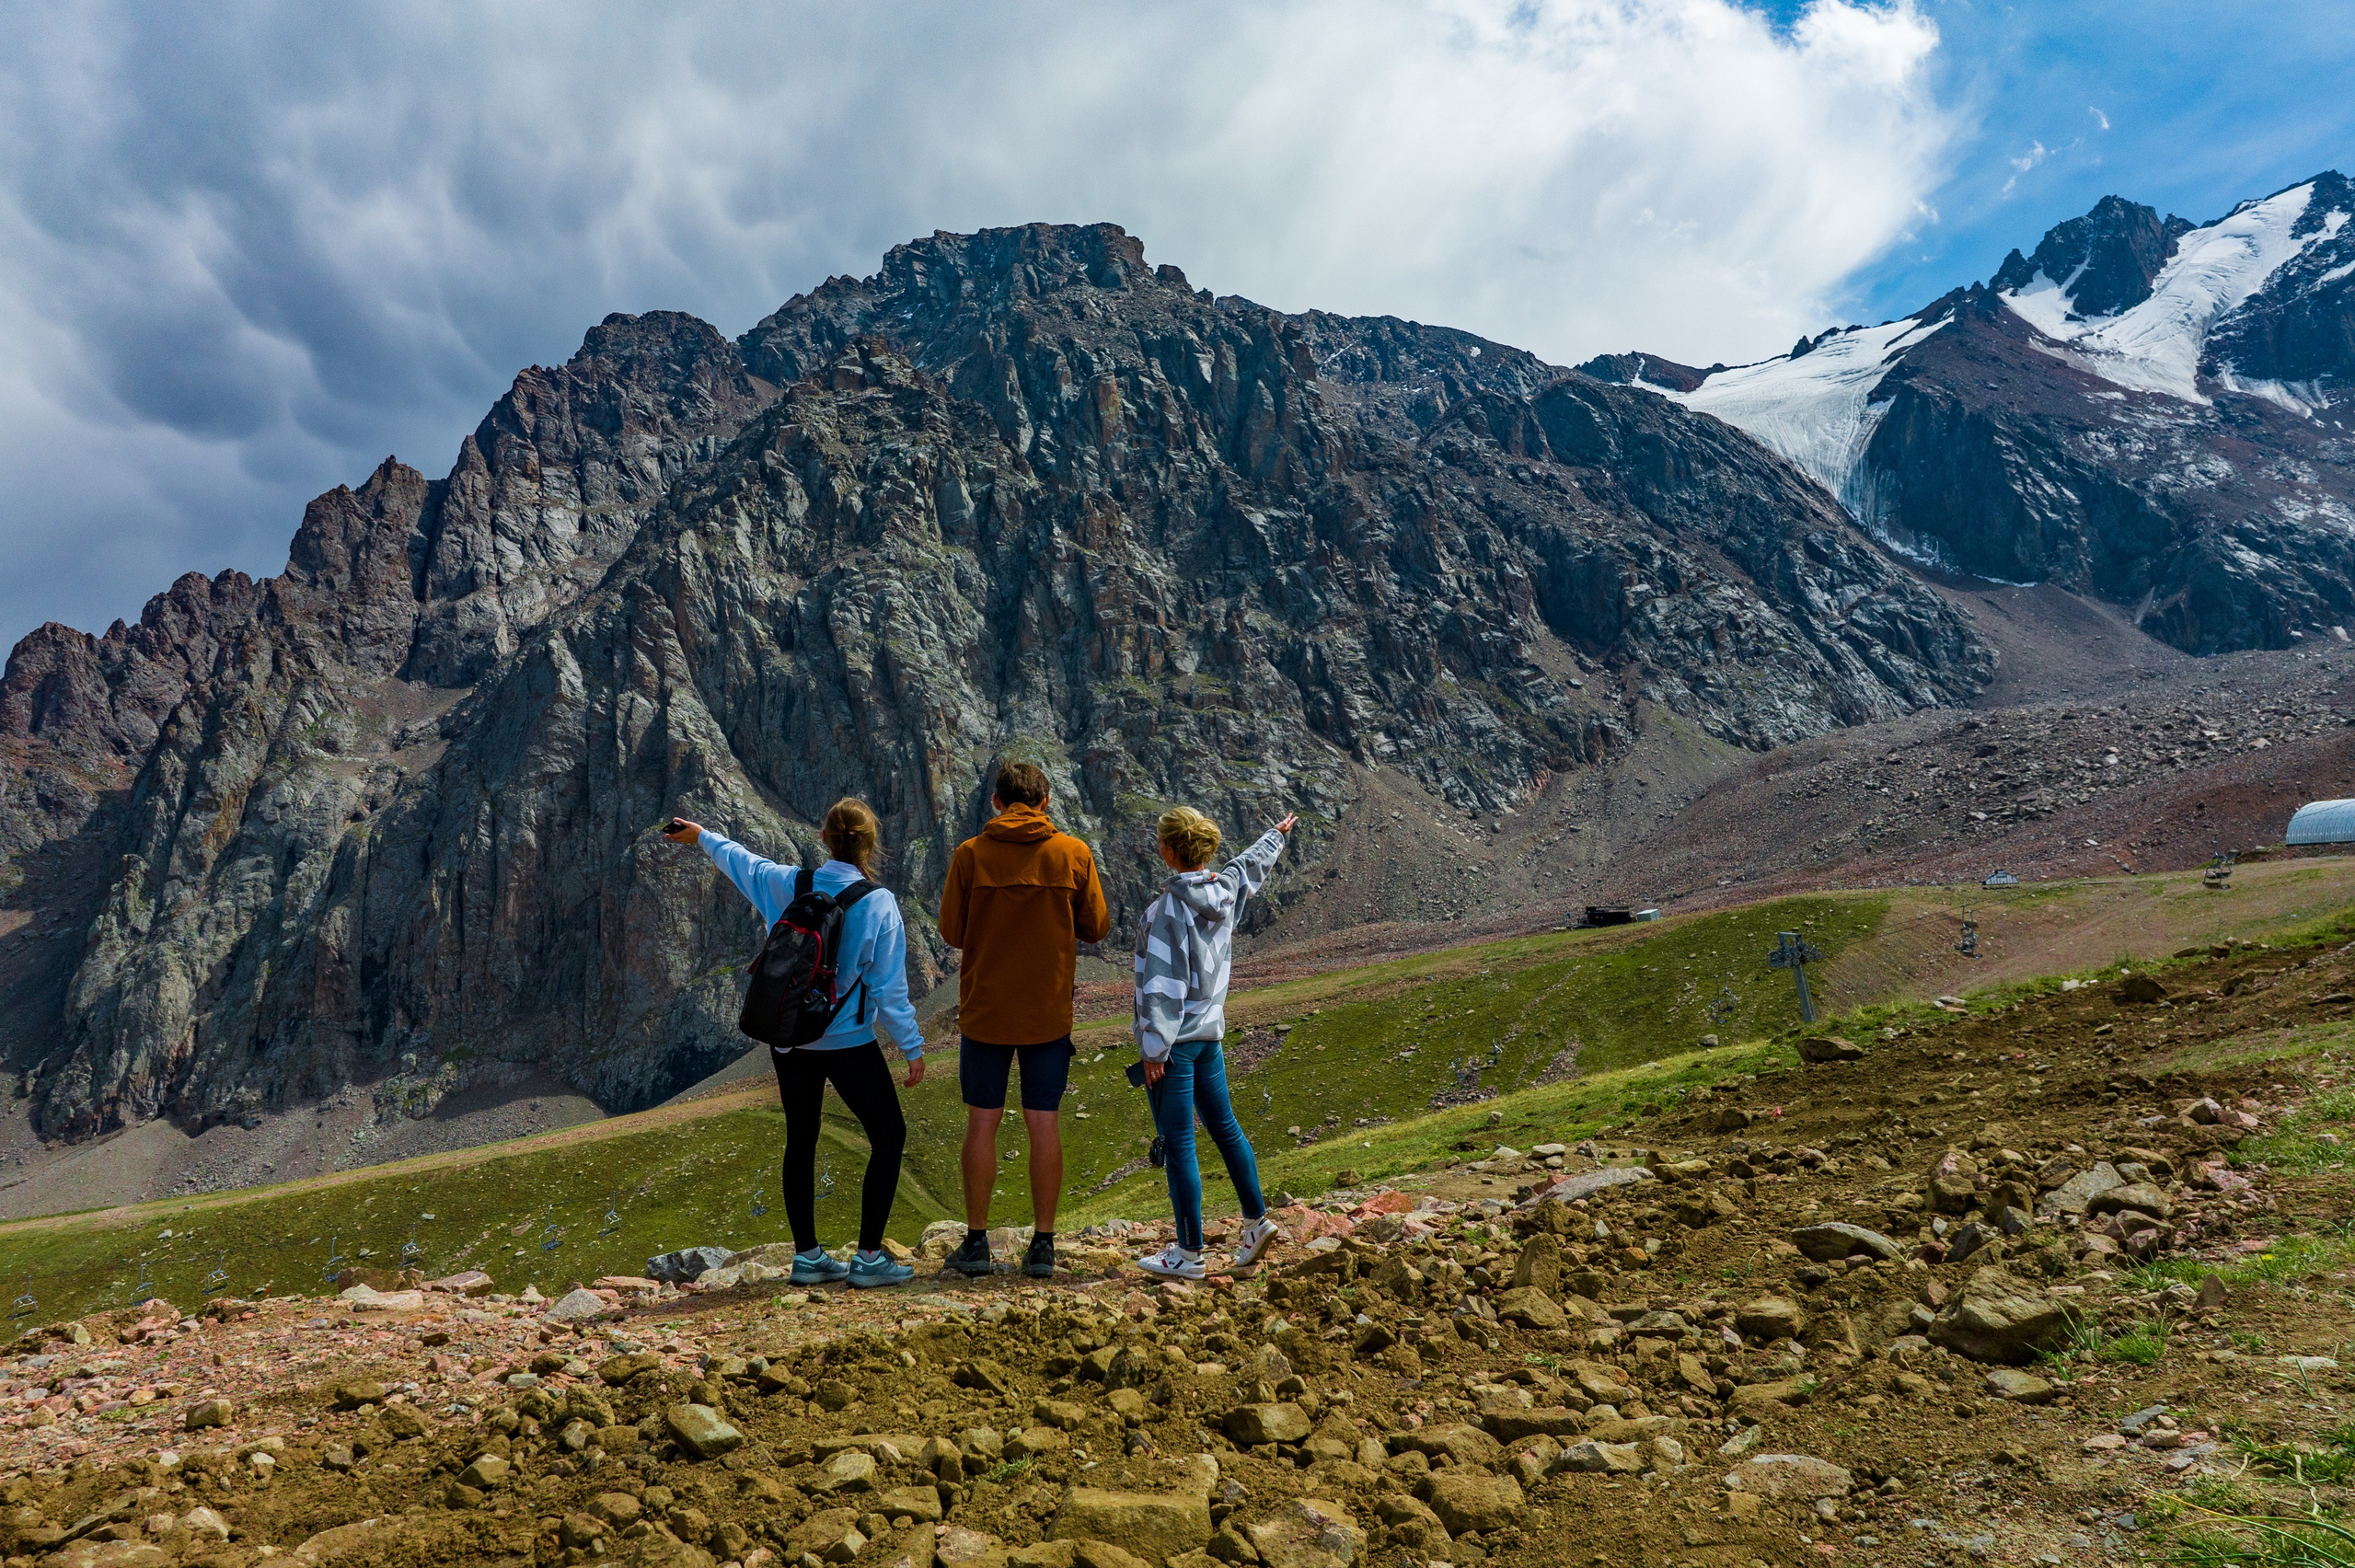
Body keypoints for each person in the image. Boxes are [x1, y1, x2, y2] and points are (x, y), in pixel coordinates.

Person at [664, 801, 923, 1288]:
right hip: (848, 1043)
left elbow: (740, 860)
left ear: (824, 838)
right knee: (888, 1136)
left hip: (790, 1041)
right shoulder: (879, 902)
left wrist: (700, 834)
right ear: (871, 845)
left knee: (800, 1140)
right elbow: (889, 990)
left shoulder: (788, 883)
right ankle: (869, 1258)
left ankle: (807, 1256)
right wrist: (911, 1047)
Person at [935, 761, 1111, 1279]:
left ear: (996, 802)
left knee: (982, 1123)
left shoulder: (970, 855)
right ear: (1045, 801)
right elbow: (1097, 927)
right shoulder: (1073, 853)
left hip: (985, 1013)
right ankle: (1043, 1245)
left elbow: (950, 930)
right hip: (1048, 1015)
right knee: (1044, 1123)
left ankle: (976, 1243)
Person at [1132, 805, 1295, 1280]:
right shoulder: (1222, 891)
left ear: (1166, 850)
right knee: (1225, 1128)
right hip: (1210, 1036)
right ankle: (1255, 1222)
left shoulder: (1165, 911)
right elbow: (1247, 870)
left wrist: (1154, 1050)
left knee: (1180, 1141)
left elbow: (1162, 986)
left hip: (1176, 1044)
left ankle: (1188, 1254)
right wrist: (1274, 837)